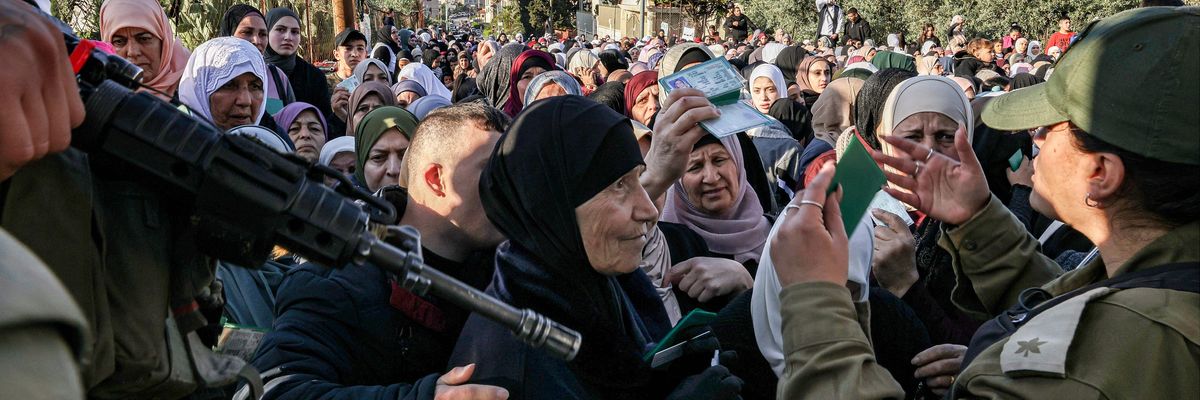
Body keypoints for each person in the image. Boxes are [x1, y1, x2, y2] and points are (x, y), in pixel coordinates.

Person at [772, 6, 1199, 399]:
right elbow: (1068, 301)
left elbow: (1089, 343)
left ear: (1101, 173)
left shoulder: (1093, 370)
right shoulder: (1154, 272)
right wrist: (977, 221)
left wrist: (815, 304)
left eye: (1049, 127)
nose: (1035, 139)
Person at [449, 95, 743, 399]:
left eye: (637, 180)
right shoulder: (513, 354)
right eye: (619, 186)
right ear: (554, 205)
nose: (649, 209)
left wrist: (673, 367)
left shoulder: (596, 281)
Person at [242, 102, 511, 400]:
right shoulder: (339, 280)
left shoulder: (501, 265)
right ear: (436, 180)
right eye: (493, 171)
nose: (510, 186)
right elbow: (269, 390)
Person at [265, 8, 336, 138]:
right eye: (280, 29)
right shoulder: (256, 73)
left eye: (295, 32)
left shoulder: (313, 77)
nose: (288, 37)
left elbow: (325, 122)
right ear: (267, 31)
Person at [99, 0, 190, 100]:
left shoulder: (195, 85)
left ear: (164, 42)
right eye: (119, 41)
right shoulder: (98, 97)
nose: (132, 52)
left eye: (144, 39)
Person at [179, 37, 268, 132]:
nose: (245, 101)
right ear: (199, 92)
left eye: (255, 86)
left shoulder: (274, 142)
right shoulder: (168, 137)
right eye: (228, 85)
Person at [219, 4, 295, 115]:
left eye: (263, 34)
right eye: (247, 32)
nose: (256, 40)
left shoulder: (276, 76)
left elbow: (290, 121)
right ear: (228, 34)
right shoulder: (213, 77)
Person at [746, 64, 805, 203]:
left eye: (770, 90)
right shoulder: (744, 129)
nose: (763, 97)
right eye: (757, 90)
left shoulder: (797, 118)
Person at [354, 106, 419, 192]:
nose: (393, 170)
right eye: (378, 157)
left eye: (405, 156)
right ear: (361, 164)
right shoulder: (340, 204)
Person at [327, 28, 369, 129]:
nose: (354, 54)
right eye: (348, 48)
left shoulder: (370, 83)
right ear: (336, 54)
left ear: (366, 54)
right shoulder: (323, 84)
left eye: (360, 48)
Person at [502, 50, 557, 116]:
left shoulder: (568, 116)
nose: (536, 83)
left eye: (543, 75)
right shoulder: (504, 123)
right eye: (527, 77)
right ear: (515, 84)